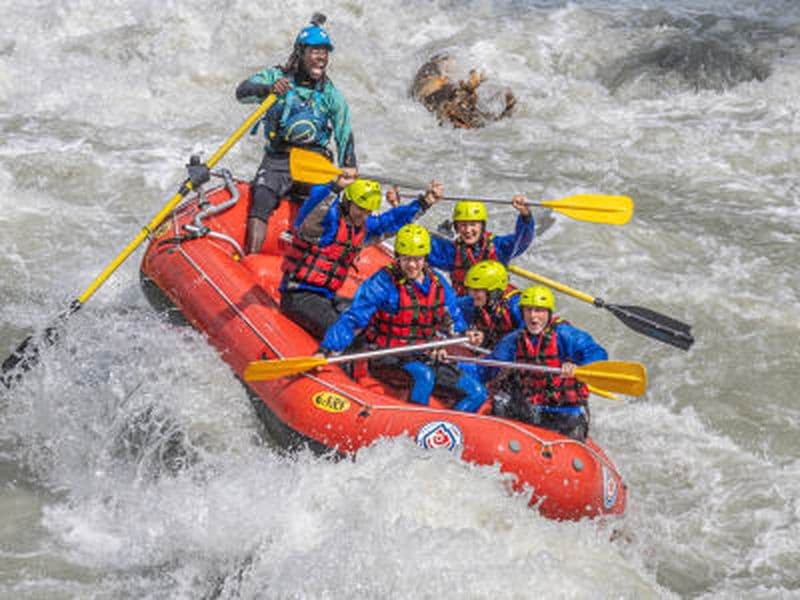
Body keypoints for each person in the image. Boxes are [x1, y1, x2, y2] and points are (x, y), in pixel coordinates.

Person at [318, 224, 487, 412]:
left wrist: (466, 333)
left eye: (417, 259)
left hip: (422, 353)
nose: (412, 265)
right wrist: (327, 349)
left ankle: (449, 427)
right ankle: (415, 424)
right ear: (398, 257)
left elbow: (453, 318)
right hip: (387, 354)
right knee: (424, 375)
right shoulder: (383, 282)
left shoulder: (438, 283)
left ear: (425, 258)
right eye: (406, 259)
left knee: (477, 393)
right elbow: (354, 318)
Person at [236, 13, 356, 255]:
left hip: (314, 162)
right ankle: (252, 258)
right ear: (300, 53)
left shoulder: (330, 94)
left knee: (325, 206)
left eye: (325, 52)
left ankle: (314, 262)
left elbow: (344, 131)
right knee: (262, 197)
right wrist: (268, 89)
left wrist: (349, 164)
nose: (322, 57)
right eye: (315, 51)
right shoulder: (276, 77)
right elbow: (242, 93)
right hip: (279, 157)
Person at [280, 170, 442, 339]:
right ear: (347, 201)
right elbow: (315, 207)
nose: (363, 215)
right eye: (360, 209)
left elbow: (391, 221)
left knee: (376, 321)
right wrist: (334, 186)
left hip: (328, 297)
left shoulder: (362, 228)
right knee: (347, 333)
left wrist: (424, 202)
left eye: (368, 211)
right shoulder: (322, 225)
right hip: (298, 296)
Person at [480, 285, 607, 441]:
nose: (533, 316)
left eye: (539, 311)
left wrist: (578, 367)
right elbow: (487, 368)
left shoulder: (565, 334)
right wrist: (457, 370)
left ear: (548, 313)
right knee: (500, 402)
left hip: (565, 413)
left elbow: (597, 353)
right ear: (522, 313)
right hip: (532, 410)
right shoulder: (514, 340)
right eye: (528, 310)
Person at [428, 196, 534, 295]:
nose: (468, 230)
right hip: (466, 305)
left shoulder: (498, 247)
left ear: (482, 226)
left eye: (473, 224)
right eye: (463, 225)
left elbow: (523, 239)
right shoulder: (450, 252)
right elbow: (418, 243)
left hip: (494, 303)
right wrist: (424, 202)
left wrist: (526, 216)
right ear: (457, 227)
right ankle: (444, 230)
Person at [457, 260, 523, 349]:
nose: (471, 294)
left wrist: (486, 338)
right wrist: (464, 331)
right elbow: (451, 309)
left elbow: (528, 336)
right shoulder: (473, 301)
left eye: (477, 290)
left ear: (494, 292)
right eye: (470, 289)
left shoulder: (516, 306)